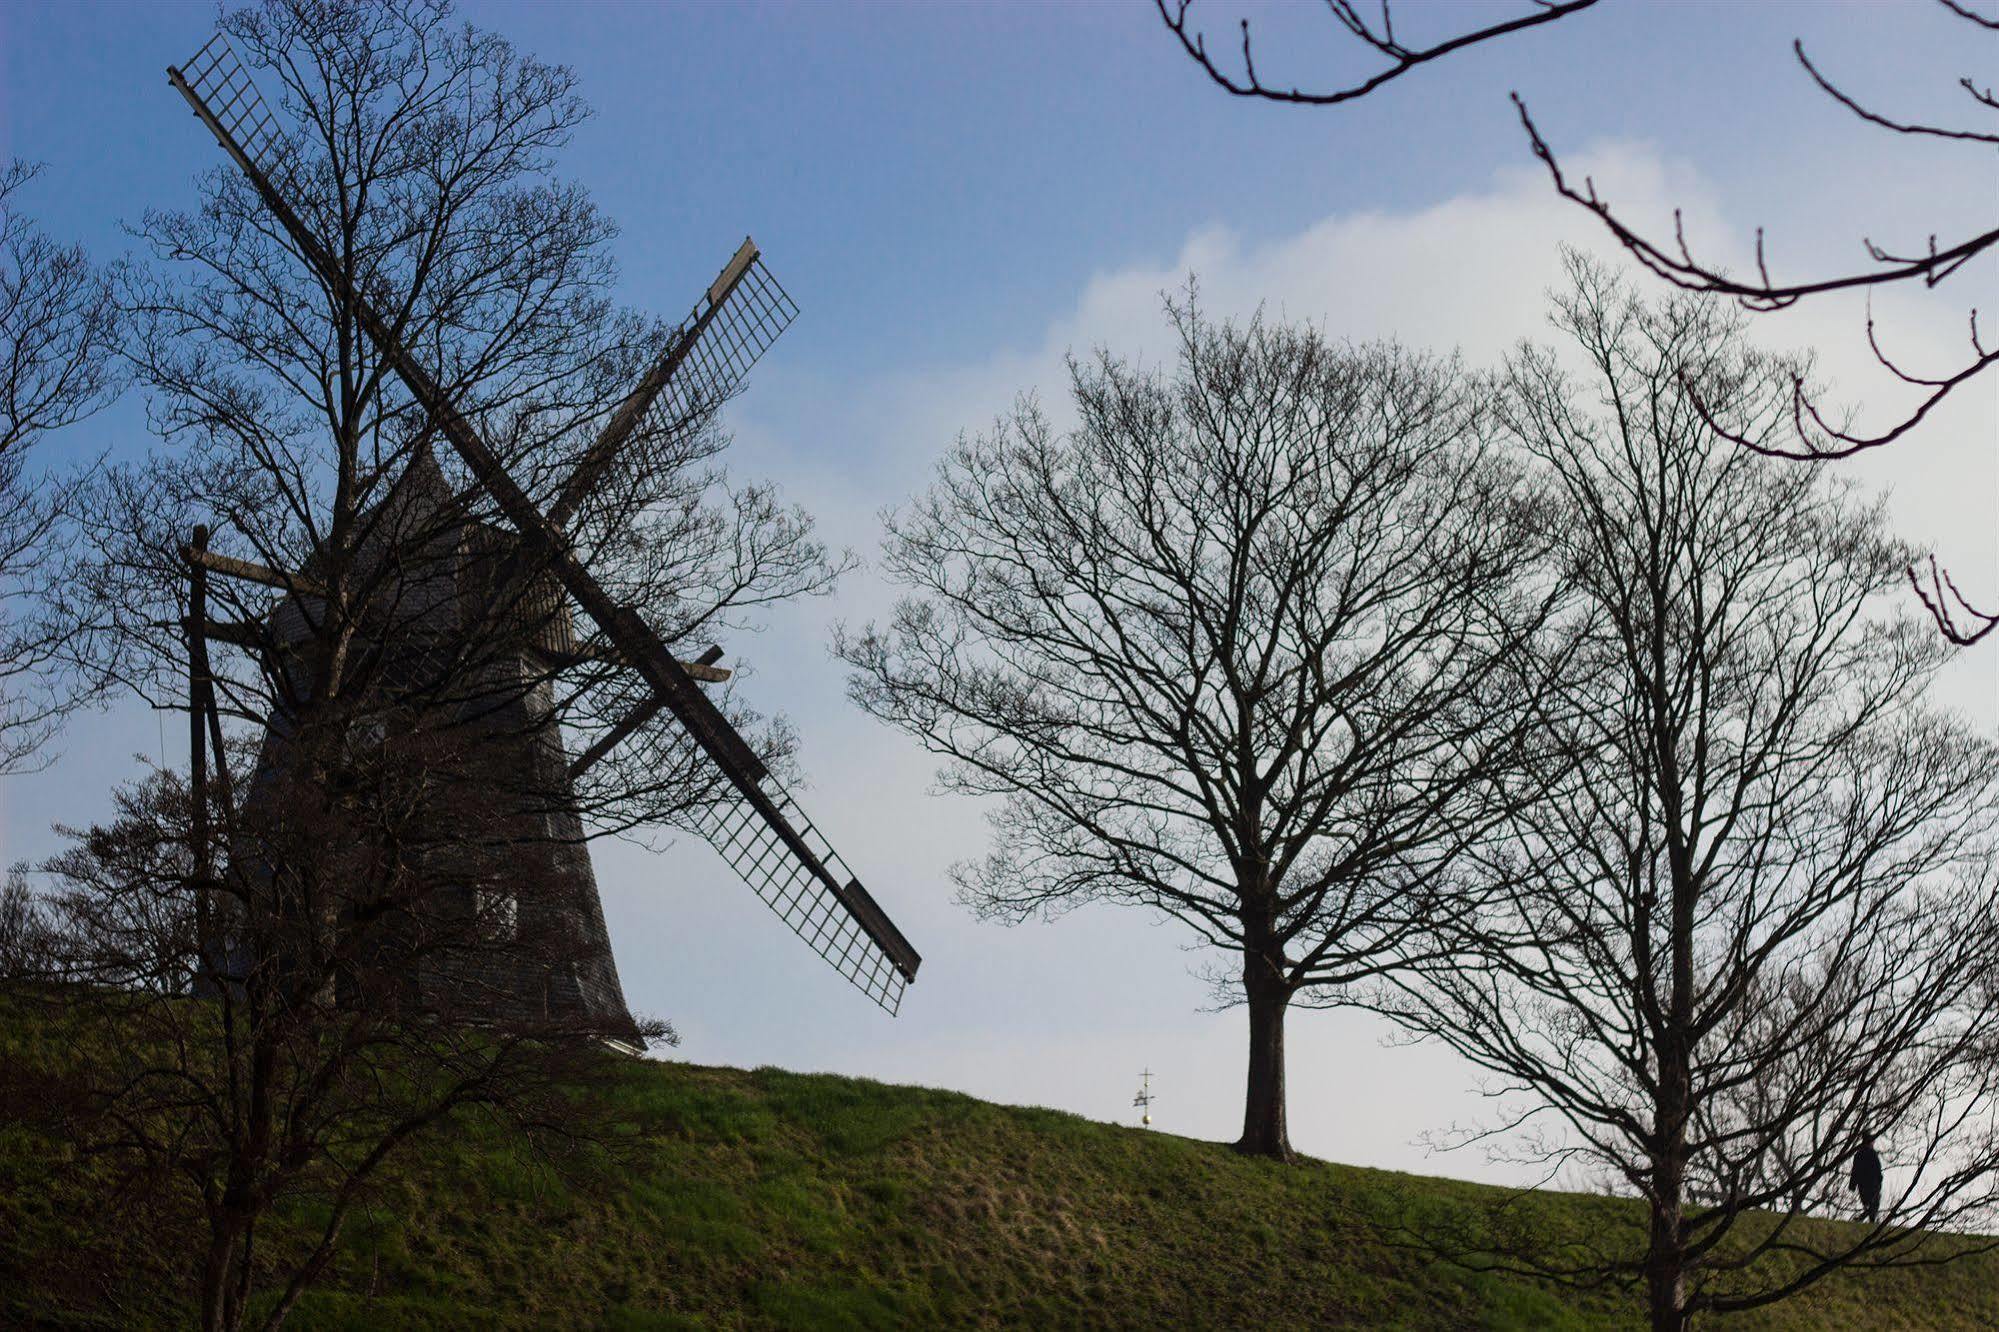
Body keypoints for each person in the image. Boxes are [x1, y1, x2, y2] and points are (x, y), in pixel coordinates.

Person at [1851, 1134, 1883, 1223]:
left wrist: (1852, 1184)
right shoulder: (1872, 1154)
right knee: (1874, 1203)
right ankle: (1867, 1219)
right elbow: (1877, 1168)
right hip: (1872, 1183)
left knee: (1868, 1203)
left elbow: (1855, 1170)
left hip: (1862, 1183)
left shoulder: (1858, 1154)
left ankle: (1864, 1219)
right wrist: (1880, 1180)